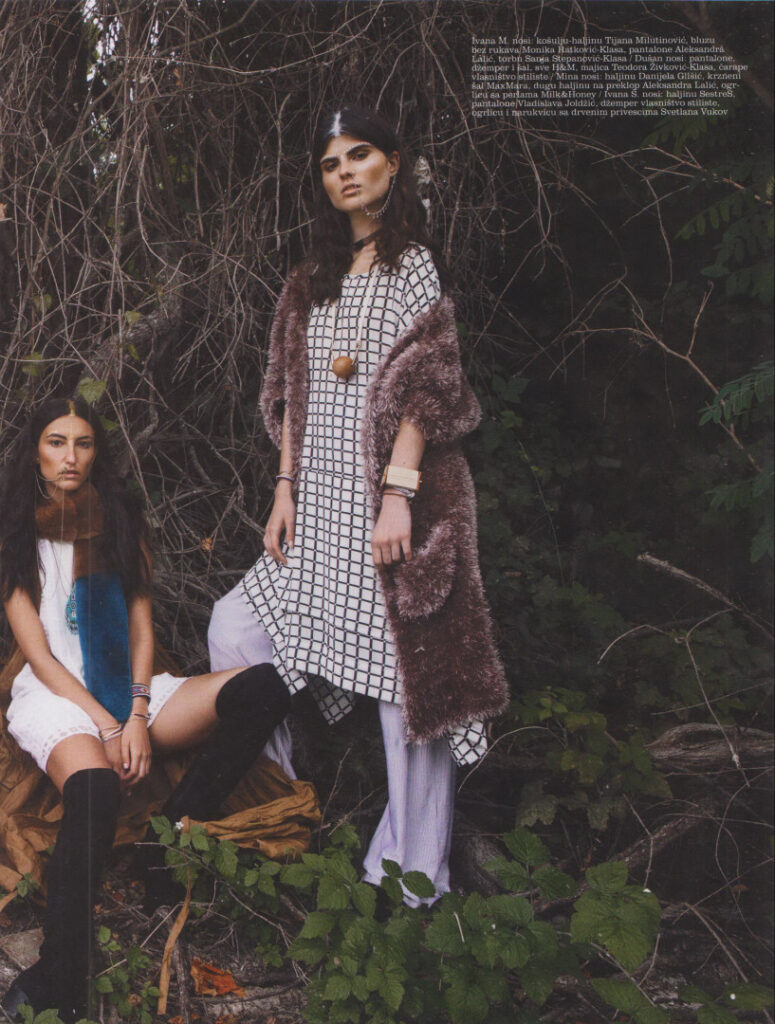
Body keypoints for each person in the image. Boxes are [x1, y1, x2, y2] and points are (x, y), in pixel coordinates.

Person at [209, 104, 507, 907]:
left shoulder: (413, 266)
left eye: (360, 155)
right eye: (330, 162)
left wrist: (399, 495)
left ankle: (409, 882)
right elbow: (290, 393)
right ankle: (276, 813)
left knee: (407, 687)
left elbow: (427, 384)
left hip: (389, 499)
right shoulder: (310, 276)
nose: (344, 172)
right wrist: (283, 489)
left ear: (392, 163)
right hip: (316, 504)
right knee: (236, 628)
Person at [0, 397, 290, 1023]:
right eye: (56, 442)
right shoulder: (16, 530)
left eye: (82, 443)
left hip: (129, 687)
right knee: (96, 789)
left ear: (96, 452)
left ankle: (169, 839)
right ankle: (60, 971)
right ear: (35, 452)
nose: (70, 457)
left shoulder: (121, 519)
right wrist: (106, 726)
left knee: (264, 687)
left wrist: (134, 713)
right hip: (55, 692)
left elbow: (139, 625)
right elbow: (40, 655)